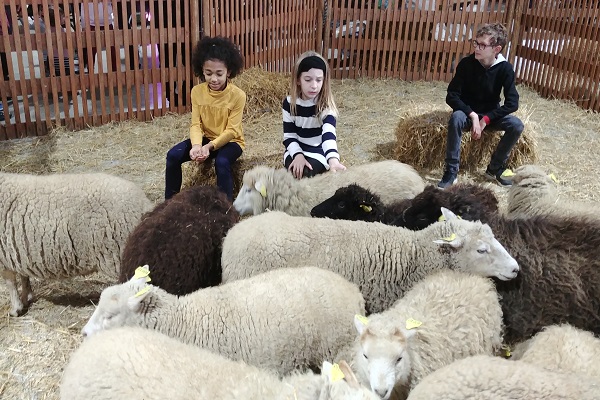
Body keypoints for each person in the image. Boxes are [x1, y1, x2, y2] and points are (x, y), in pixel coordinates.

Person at [438, 23, 524, 189]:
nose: (477, 48)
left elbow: (512, 103)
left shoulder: (505, 69)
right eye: (476, 43)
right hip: (467, 113)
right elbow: (452, 95)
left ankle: (494, 168)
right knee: (456, 118)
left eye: (482, 45)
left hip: (489, 116)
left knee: (516, 125)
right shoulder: (466, 64)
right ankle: (451, 171)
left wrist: (486, 118)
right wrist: (472, 115)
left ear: (496, 49)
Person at [164, 36, 245, 201]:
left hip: (231, 142)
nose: (213, 79)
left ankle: (225, 209)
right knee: (173, 155)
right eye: (208, 73)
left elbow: (232, 130)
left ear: (229, 72)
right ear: (202, 70)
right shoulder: (196, 91)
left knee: (221, 162)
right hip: (205, 139)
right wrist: (196, 145)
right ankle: (169, 203)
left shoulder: (238, 95)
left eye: (219, 73)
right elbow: (196, 124)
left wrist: (209, 147)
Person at [283, 51, 346, 179]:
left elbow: (328, 135)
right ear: (298, 80)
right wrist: (298, 155)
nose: (314, 86)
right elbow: (289, 136)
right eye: (308, 79)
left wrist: (333, 160)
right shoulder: (289, 103)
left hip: (318, 151)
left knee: (305, 174)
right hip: (296, 150)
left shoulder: (326, 106)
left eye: (319, 80)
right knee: (292, 172)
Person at [80, 2, 117, 73]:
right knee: (91, 50)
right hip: (91, 24)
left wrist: (113, 20)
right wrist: (84, 25)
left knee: (112, 49)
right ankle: (90, 71)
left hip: (107, 22)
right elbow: (83, 8)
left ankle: (114, 71)